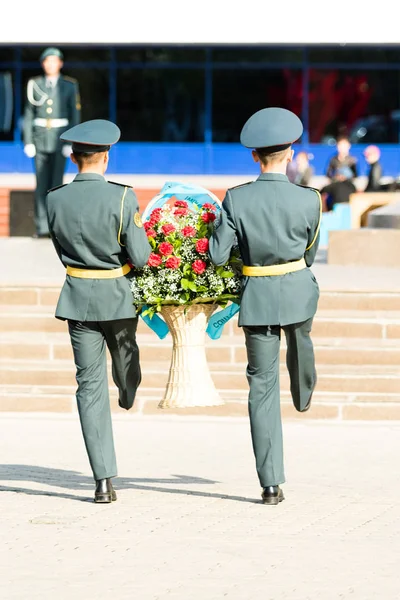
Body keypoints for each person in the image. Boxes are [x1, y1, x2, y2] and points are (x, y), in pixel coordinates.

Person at [209, 108, 321, 506]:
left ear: (255, 157)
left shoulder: (236, 198)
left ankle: (270, 483)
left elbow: (220, 257)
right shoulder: (310, 198)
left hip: (257, 295)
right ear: (290, 153)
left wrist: (215, 230)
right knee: (301, 337)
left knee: (261, 386)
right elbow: (309, 253)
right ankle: (304, 387)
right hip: (296, 289)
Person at [46, 119, 151, 503]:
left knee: (88, 387)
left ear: (74, 159)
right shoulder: (123, 197)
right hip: (117, 295)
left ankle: (102, 480)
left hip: (77, 295)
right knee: (125, 363)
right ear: (105, 158)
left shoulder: (55, 197)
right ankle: (127, 389)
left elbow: (60, 250)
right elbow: (140, 255)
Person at [24, 47, 81, 238]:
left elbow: (75, 115)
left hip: (60, 139)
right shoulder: (35, 84)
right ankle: (41, 227)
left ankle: (55, 227)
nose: (51, 65)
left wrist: (70, 143)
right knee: (41, 184)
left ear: (60, 64)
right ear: (43, 64)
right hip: (40, 139)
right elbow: (29, 114)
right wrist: (28, 141)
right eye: (47, 61)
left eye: (54, 61)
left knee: (57, 185)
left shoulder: (69, 85)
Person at [321, 136, 358, 210]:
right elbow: (328, 174)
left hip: (347, 186)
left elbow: (355, 175)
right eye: (340, 146)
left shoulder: (352, 160)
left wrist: (346, 178)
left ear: (348, 146)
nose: (342, 148)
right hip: (335, 186)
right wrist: (336, 177)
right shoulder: (333, 159)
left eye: (344, 146)